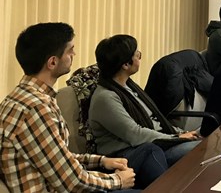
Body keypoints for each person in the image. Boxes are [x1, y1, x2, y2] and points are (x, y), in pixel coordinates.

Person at [0, 23, 136, 192]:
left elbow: (56, 157)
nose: (74, 54)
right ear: (52, 62)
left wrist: (100, 161)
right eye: (70, 50)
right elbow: (71, 181)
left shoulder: (20, 98)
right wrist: (118, 180)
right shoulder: (35, 108)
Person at [89, 35, 201, 188]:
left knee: (203, 142)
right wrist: (176, 137)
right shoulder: (106, 98)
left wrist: (181, 133)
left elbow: (155, 120)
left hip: (157, 143)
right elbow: (136, 134)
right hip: (128, 154)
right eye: (137, 55)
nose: (140, 57)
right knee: (201, 148)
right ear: (125, 65)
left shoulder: (129, 86)